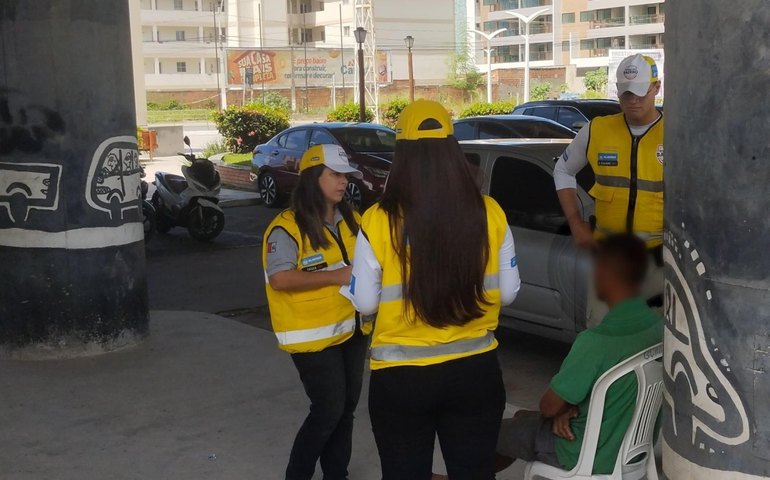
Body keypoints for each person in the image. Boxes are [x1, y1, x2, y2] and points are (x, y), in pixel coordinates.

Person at [345, 100, 521, 480]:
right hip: (475, 372)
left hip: (401, 379)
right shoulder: (489, 212)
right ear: (452, 149)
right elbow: (507, 293)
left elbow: (363, 302)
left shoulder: (377, 221)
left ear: (402, 154)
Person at [496, 234, 663, 475]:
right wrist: (561, 411)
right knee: (523, 418)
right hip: (631, 447)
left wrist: (560, 411)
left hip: (580, 449)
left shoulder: (596, 342)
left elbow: (549, 406)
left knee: (491, 432)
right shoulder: (655, 326)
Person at [262, 143, 370, 480]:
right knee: (327, 410)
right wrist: (336, 275)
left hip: (351, 329)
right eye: (335, 175)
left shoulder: (352, 219)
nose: (343, 182)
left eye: (345, 176)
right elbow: (279, 278)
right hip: (311, 336)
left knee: (346, 410)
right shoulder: (287, 227)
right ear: (313, 178)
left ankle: (337, 474)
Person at [554, 53, 665, 324]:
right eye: (626, 93)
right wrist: (575, 223)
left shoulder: (675, 133)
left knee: (653, 342)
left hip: (659, 258)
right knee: (603, 333)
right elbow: (563, 170)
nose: (633, 100)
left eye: (640, 92)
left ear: (656, 87)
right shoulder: (597, 130)